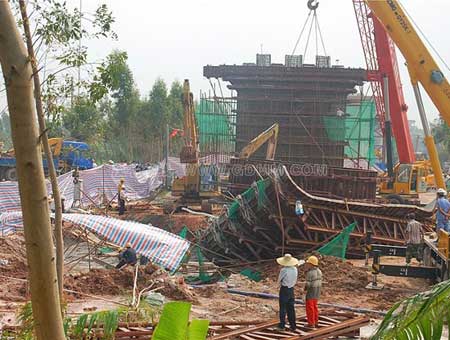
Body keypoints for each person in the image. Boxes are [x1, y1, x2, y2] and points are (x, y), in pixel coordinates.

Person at [276, 253, 299, 331]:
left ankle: (282, 325)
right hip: (291, 289)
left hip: (284, 289)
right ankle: (293, 325)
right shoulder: (295, 269)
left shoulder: (284, 270)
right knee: (291, 308)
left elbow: (279, 280)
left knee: (283, 308)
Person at [304, 255, 322, 328]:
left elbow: (308, 284)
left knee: (310, 308)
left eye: (308, 263)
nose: (307, 264)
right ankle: (316, 321)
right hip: (317, 291)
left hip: (311, 292)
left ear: (311, 264)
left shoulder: (310, 273)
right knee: (315, 307)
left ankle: (311, 323)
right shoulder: (319, 271)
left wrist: (304, 292)